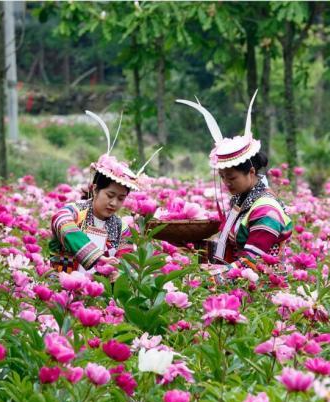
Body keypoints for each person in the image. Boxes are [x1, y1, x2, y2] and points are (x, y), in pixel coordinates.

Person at [176, 91, 293, 279]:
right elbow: (230, 248)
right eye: (222, 177)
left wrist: (211, 278)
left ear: (252, 172)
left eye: (231, 177)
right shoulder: (242, 201)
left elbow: (252, 261)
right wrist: (191, 246)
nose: (226, 183)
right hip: (243, 279)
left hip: (261, 287)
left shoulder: (266, 210)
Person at [49, 110, 156, 274]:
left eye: (121, 198)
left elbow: (125, 260)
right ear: (95, 189)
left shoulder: (121, 228)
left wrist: (119, 271)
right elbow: (61, 222)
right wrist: (97, 256)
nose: (114, 203)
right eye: (110, 195)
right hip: (63, 287)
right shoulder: (73, 212)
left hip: (100, 293)